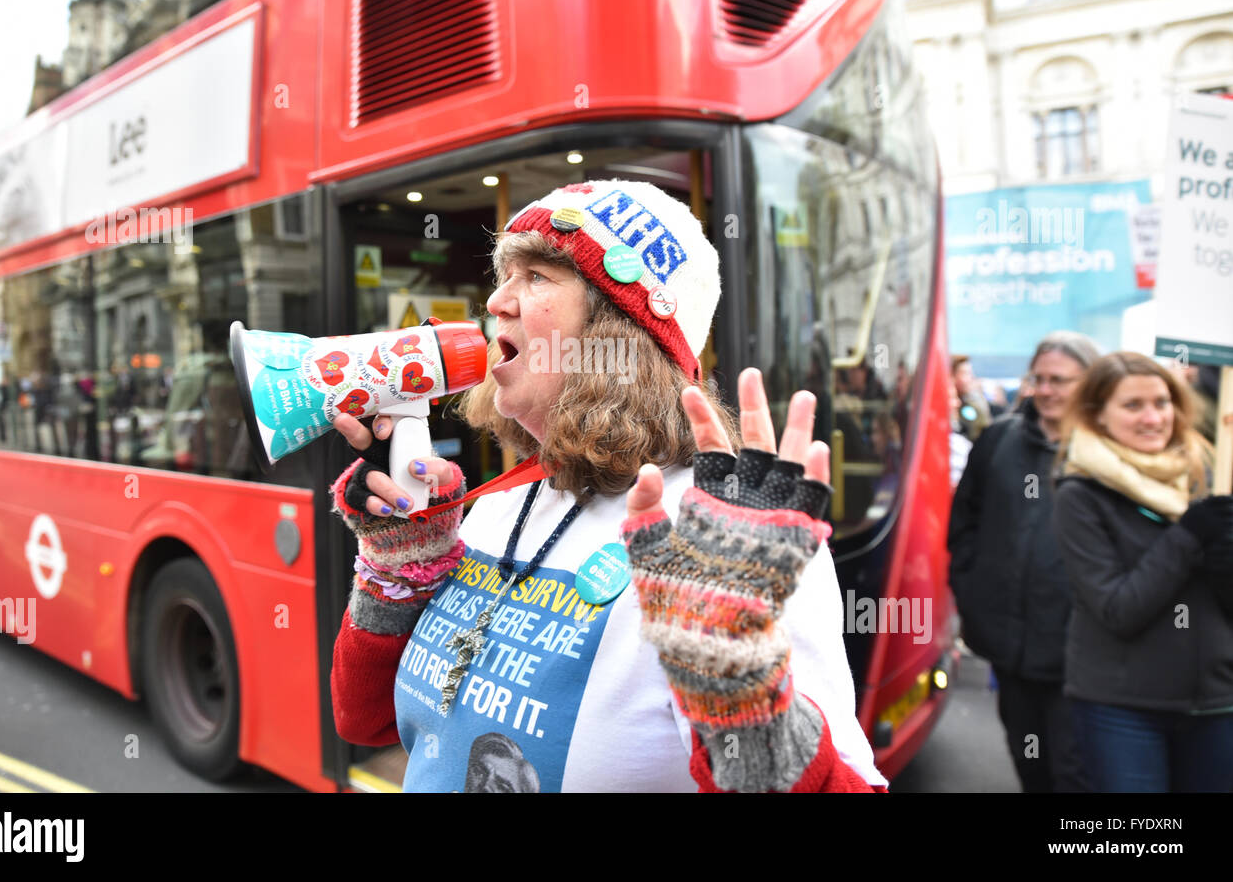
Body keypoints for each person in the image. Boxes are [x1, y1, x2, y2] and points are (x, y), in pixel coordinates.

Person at [328, 181, 886, 792]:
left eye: (537, 275)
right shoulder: (500, 505)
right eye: (504, 274)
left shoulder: (720, 536)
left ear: (614, 332)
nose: (496, 302)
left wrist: (739, 690)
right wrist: (401, 559)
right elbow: (367, 718)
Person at [1053, 351, 1233, 793]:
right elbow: (1119, 609)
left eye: (1162, 402)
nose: (1153, 417)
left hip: (1215, 701)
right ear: (1098, 416)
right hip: (1121, 708)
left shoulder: (1210, 476)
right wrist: (1189, 536)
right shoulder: (1080, 493)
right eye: (1133, 406)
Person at [948, 331, 1101, 792]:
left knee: (1074, 773)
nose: (1047, 390)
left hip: (1083, 658)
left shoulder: (1105, 451)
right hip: (1010, 648)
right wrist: (973, 596)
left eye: (1061, 380)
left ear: (1091, 383)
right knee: (1028, 759)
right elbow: (963, 526)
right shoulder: (998, 441)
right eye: (1040, 378)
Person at [950, 355, 992, 442]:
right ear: (952, 376)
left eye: (970, 373)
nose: (971, 377)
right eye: (965, 373)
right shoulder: (947, 404)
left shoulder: (973, 402)